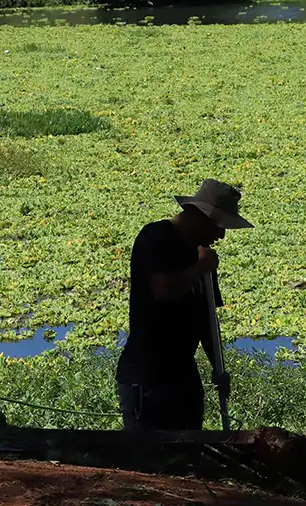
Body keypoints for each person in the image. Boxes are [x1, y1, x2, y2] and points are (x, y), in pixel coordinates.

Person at [116, 179, 253, 431]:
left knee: (188, 460)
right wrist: (201, 267)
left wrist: (218, 367)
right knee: (149, 462)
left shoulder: (201, 254)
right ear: (201, 216)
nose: (221, 235)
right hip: (147, 377)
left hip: (184, 376)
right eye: (218, 226)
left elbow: (206, 319)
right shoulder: (156, 237)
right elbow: (163, 290)